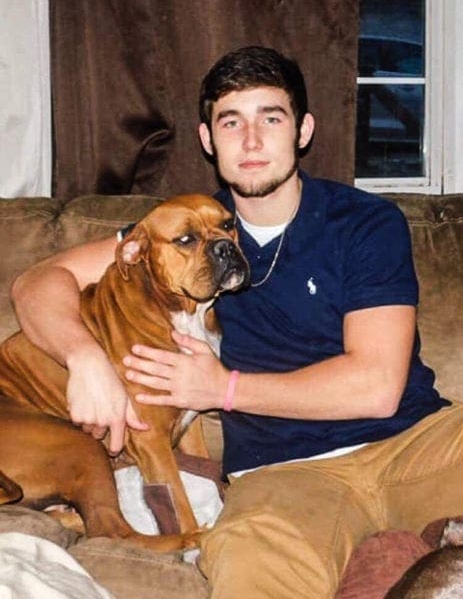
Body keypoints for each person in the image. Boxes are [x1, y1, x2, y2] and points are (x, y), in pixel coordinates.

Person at [11, 46, 463, 597]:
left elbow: (377, 387)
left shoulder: (364, 222)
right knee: (247, 567)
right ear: (208, 140)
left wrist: (220, 387)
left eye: (270, 118)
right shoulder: (174, 237)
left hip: (416, 442)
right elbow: (36, 283)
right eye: (231, 122)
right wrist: (84, 360)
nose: (251, 141)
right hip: (286, 476)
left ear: (303, 131)